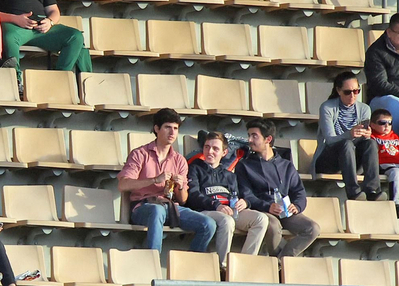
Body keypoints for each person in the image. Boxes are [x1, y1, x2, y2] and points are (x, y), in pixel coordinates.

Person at [119, 108, 216, 253]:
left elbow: (183, 200)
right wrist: (154, 180)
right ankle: (153, 260)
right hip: (144, 206)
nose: (172, 133)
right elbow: (123, 185)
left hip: (170, 207)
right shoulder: (140, 154)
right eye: (167, 127)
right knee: (157, 211)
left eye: (175, 128)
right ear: (156, 129)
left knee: (208, 224)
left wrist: (180, 186)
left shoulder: (179, 160)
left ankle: (192, 262)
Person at [236, 120, 320, 258]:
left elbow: (298, 191)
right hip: (262, 210)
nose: (249, 140)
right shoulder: (244, 165)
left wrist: (297, 206)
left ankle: (280, 262)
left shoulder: (286, 165)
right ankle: (282, 264)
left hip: (285, 211)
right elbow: (246, 195)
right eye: (249, 135)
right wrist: (267, 206)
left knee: (312, 228)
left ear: (268, 139)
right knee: (273, 226)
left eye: (254, 136)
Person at [184, 130, 270, 263]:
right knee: (227, 221)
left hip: (230, 210)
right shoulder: (194, 168)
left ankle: (245, 262)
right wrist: (216, 205)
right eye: (207, 147)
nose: (210, 151)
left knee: (261, 219)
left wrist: (245, 202)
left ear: (224, 153)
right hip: (206, 211)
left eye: (215, 148)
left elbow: (239, 195)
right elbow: (193, 195)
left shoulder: (229, 175)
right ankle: (223, 266)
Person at [315, 71, 381, 200]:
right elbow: (329, 140)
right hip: (329, 159)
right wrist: (349, 134)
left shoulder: (364, 109)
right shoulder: (327, 107)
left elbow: (362, 142)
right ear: (338, 91)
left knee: (371, 143)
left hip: (352, 159)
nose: (352, 96)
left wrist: (366, 135)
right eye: (347, 92)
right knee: (346, 143)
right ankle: (353, 192)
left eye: (356, 91)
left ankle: (372, 189)